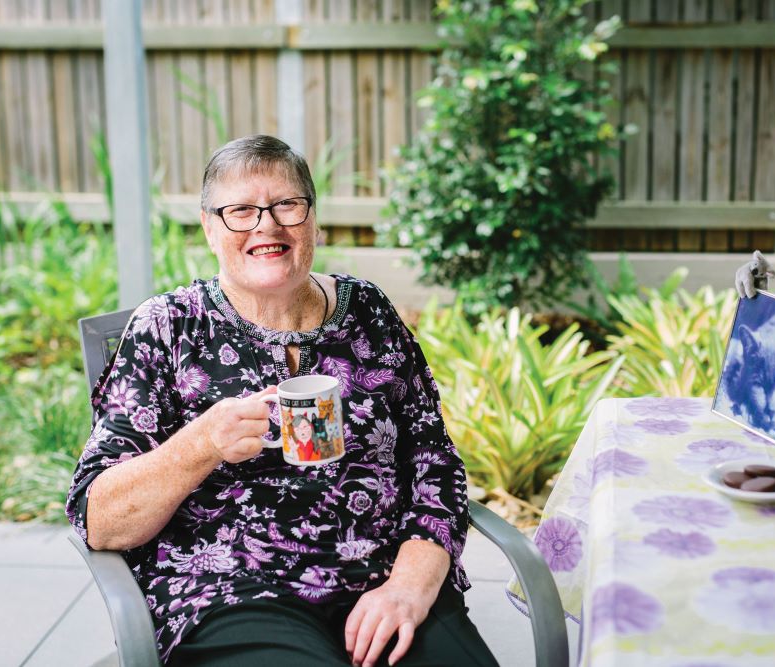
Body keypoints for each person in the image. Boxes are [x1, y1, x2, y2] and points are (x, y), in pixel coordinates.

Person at [66, 135, 498, 667]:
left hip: (384, 582)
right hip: (231, 590)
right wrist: (202, 443)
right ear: (209, 227)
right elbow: (101, 519)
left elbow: (435, 460)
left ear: (312, 219)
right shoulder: (168, 327)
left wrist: (411, 584)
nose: (265, 226)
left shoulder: (369, 310)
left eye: (286, 205)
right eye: (240, 211)